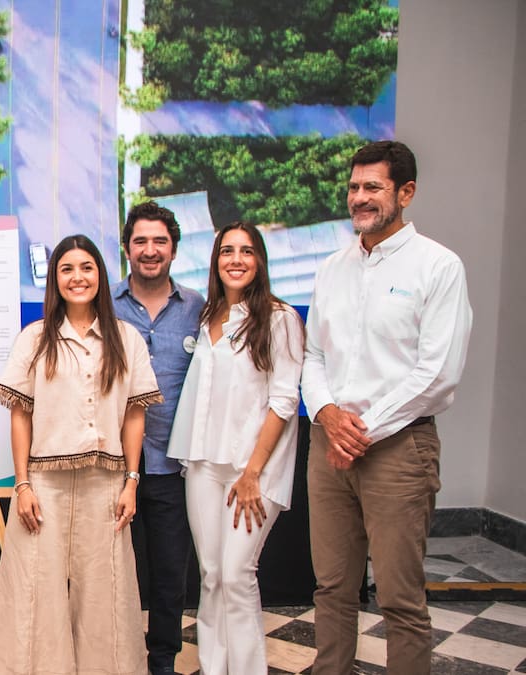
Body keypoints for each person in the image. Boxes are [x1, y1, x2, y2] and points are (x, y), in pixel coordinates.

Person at [302, 141, 472, 675]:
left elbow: (438, 373)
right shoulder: (332, 267)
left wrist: (361, 431)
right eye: (354, 187)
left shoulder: (438, 267)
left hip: (398, 448)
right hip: (329, 445)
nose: (359, 197)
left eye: (372, 187)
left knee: (400, 599)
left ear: (406, 192)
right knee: (332, 588)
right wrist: (328, 416)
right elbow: (312, 355)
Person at [0, 234, 161, 675]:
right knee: (32, 589)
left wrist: (131, 481)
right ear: (54, 279)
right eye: (66, 269)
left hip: (107, 483)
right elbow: (20, 415)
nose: (77, 277)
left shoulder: (126, 339)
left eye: (86, 267)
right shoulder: (35, 338)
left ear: (100, 274)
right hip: (44, 485)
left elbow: (134, 415)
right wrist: (22, 485)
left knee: (108, 593)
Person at [167, 222, 304, 674]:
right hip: (203, 464)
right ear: (216, 261)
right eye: (227, 251)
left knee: (237, 574)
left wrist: (252, 473)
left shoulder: (280, 319)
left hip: (252, 470)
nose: (236, 259)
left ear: (260, 260)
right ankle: (215, 667)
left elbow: (284, 401)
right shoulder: (208, 316)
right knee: (211, 575)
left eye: (246, 251)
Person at [111, 201, 204, 674]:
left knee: (170, 573)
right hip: (111, 465)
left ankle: (162, 659)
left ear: (174, 249)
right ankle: (115, 655)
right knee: (111, 572)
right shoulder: (104, 305)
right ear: (126, 248)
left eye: (160, 241)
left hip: (173, 463)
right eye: (141, 241)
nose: (150, 250)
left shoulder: (199, 309)